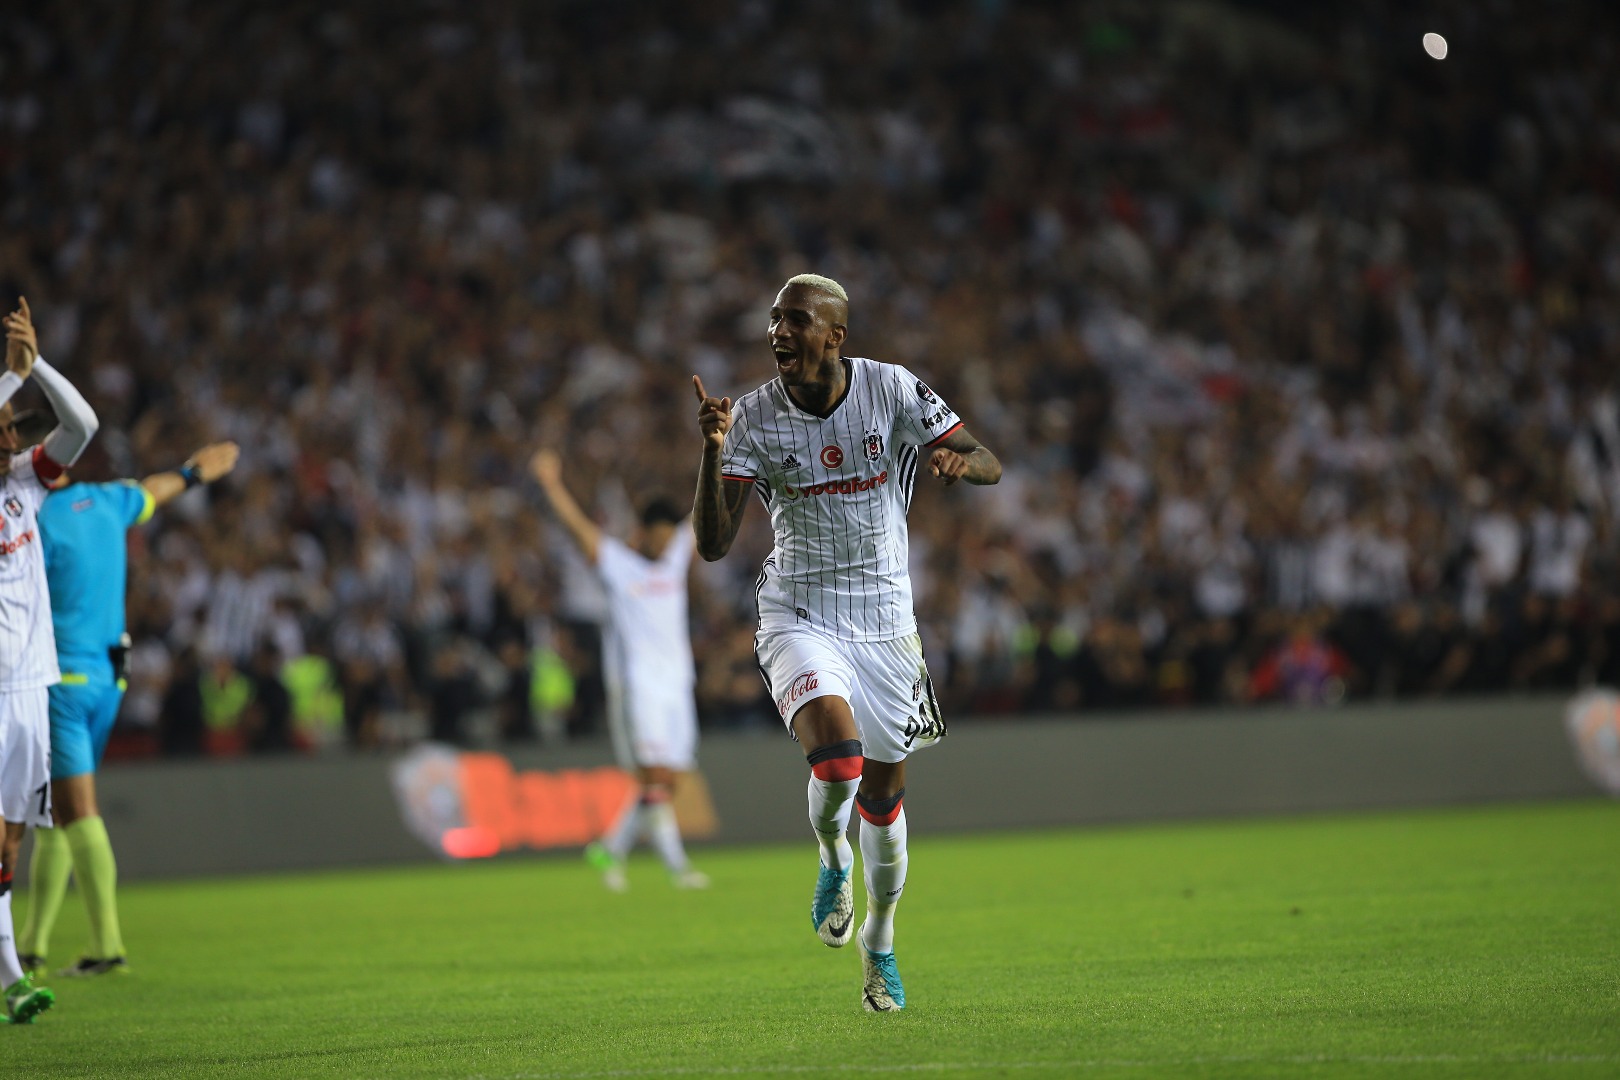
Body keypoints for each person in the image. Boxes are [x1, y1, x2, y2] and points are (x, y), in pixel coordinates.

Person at [691, 274, 1001, 1011]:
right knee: (837, 759)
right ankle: (832, 857)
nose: (778, 333)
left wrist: (961, 463)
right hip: (800, 612)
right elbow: (710, 543)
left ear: (835, 334)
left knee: (886, 802)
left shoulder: (892, 390)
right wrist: (712, 449)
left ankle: (879, 944)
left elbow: (986, 456)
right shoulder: (755, 418)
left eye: (795, 320)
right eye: (773, 320)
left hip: (888, 624)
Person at [17, 439, 239, 976]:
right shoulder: (110, 500)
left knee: (77, 812)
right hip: (108, 680)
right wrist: (192, 472)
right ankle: (33, 946)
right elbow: (154, 491)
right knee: (56, 816)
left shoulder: (33, 520)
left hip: (59, 683)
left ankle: (107, 946)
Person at [530, 448, 708, 892]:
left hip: (678, 686)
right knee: (656, 778)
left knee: (673, 780)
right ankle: (677, 867)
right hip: (640, 686)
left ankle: (611, 846)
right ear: (642, 534)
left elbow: (704, 506)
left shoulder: (672, 563)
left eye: (671, 537)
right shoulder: (619, 566)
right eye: (659, 537)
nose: (667, 544)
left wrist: (719, 448)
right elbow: (580, 531)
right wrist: (552, 485)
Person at [0, 298, 100, 1023]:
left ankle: (9, 982)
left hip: (30, 688)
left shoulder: (26, 486)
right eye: (3, 426)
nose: (11, 434)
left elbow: (84, 425)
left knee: (8, 840)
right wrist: (8, 377)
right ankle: (10, 980)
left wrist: (38, 368)